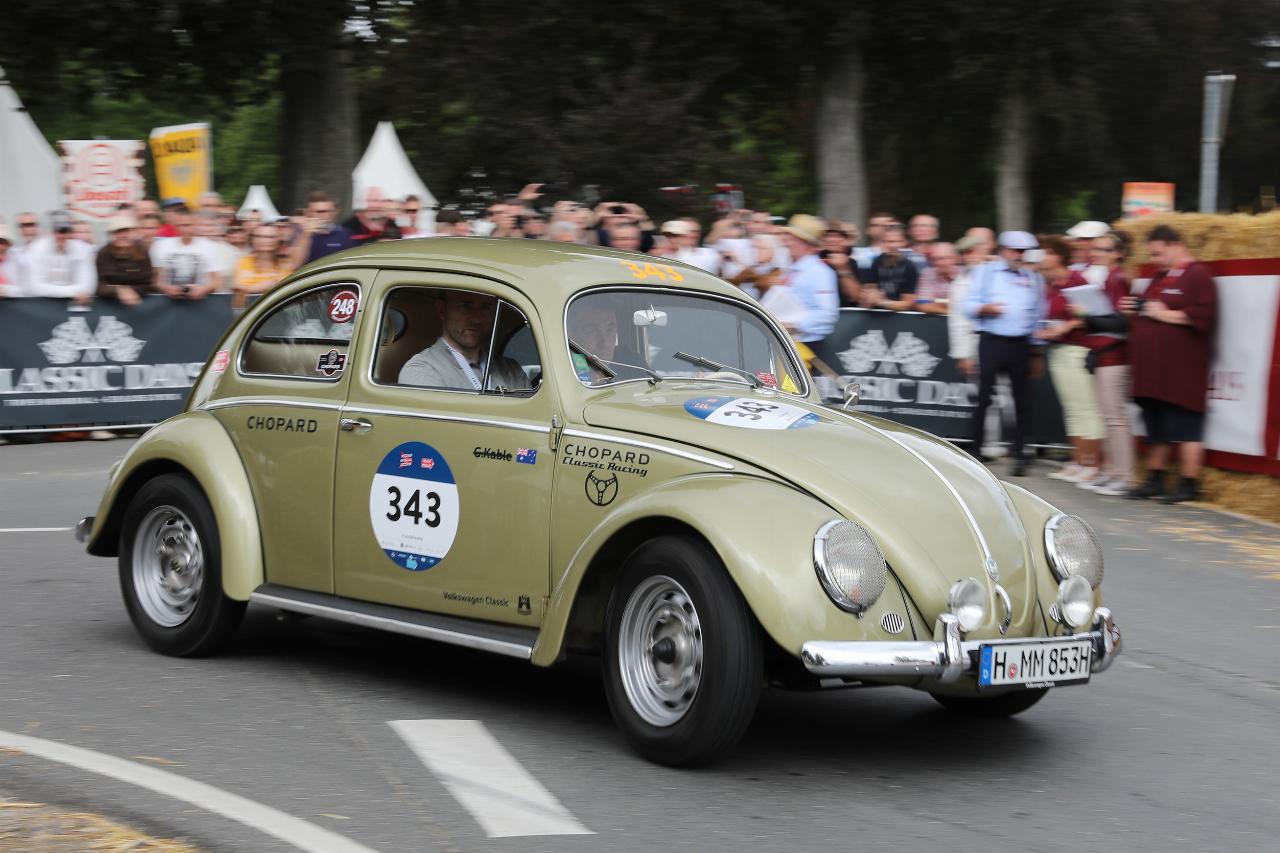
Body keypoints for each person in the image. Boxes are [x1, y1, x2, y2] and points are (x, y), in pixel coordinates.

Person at [1122, 225, 1217, 503]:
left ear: (1176, 245)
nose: (1155, 260)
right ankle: (1156, 477)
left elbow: (1202, 316)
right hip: (1153, 372)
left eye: (1158, 253)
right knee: (1156, 426)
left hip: (1181, 370)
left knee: (1187, 426)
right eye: (1152, 255)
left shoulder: (1198, 275)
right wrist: (1137, 308)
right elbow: (1152, 309)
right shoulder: (1160, 277)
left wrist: (1164, 314)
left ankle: (1189, 482)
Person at [963, 230, 1048, 475]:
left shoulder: (1034, 278)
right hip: (992, 341)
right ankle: (976, 451)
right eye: (1015, 251)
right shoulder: (986, 272)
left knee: (1022, 401)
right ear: (1003, 250)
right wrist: (985, 308)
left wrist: (1037, 352)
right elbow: (967, 305)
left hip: (1020, 344)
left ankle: (1020, 454)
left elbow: (1038, 316)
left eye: (1023, 251)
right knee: (984, 398)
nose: (1019, 255)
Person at [1037, 236, 1104, 484]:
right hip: (1058, 349)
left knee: (1086, 408)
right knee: (1072, 409)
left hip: (1077, 349)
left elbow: (1093, 313)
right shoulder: (1052, 285)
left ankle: (1092, 463)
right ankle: (1078, 460)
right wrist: (1048, 331)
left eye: (1046, 253)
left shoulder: (1077, 280)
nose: (1042, 257)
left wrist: (1065, 327)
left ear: (1058, 256)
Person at [1078, 231, 1135, 496]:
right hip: (1105, 353)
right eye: (1097, 248)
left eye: (1105, 249)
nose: (1098, 253)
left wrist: (1088, 317)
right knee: (1109, 417)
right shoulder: (1110, 279)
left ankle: (1125, 475)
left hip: (1114, 355)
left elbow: (1121, 322)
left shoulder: (1118, 279)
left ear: (1118, 253)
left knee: (1115, 417)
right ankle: (1113, 471)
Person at [398, 290, 530, 391]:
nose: (476, 319)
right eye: (465, 306)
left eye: (485, 307)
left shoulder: (512, 371)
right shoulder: (422, 370)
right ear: (442, 310)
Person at [777, 214, 839, 346]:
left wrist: (795, 325)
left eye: (793, 239)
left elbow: (827, 314)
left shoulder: (820, 272)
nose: (787, 243)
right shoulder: (791, 268)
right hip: (787, 342)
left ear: (807, 244)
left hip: (807, 344)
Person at [23, 211, 96, 303]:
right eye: (57, 230)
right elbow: (35, 286)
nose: (62, 235)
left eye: (66, 231)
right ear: (50, 232)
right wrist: (73, 292)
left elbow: (88, 286)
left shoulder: (82, 248)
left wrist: (53, 289)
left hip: (73, 302)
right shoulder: (37, 248)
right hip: (44, 302)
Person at [150, 208, 221, 299]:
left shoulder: (210, 246)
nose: (184, 229)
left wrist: (203, 289)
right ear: (175, 226)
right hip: (169, 301)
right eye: (180, 225)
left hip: (200, 302)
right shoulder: (160, 246)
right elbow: (156, 280)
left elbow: (216, 281)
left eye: (188, 225)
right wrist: (165, 288)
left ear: (196, 225)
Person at [947, 235, 986, 379]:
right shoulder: (959, 283)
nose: (967, 256)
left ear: (982, 250)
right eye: (963, 253)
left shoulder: (1001, 275)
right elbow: (958, 322)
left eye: (971, 251)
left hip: (1007, 347)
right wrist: (963, 354)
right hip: (975, 348)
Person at [233, 223, 294, 309]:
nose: (265, 240)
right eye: (260, 236)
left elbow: (289, 291)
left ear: (278, 240)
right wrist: (265, 286)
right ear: (253, 239)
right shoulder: (244, 262)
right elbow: (239, 292)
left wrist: (251, 289)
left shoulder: (286, 265)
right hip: (249, 312)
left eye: (271, 237)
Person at [95, 215, 153, 305]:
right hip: (109, 304)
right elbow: (99, 285)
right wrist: (118, 290)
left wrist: (130, 291)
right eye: (117, 232)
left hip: (139, 304)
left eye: (126, 231)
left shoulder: (142, 251)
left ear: (133, 233)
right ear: (111, 235)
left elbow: (148, 284)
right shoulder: (103, 253)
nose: (122, 236)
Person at [859, 225, 918, 310]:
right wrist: (869, 297)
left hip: (899, 315)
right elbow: (869, 291)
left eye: (896, 241)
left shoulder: (909, 267)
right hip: (878, 312)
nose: (892, 245)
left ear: (904, 243)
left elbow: (908, 303)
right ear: (881, 243)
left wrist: (881, 302)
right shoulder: (876, 262)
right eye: (887, 241)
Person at [292, 191, 355, 265]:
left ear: (335, 212)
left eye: (325, 211)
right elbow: (294, 265)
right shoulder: (298, 235)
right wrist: (306, 235)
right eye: (317, 212)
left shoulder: (346, 235)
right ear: (308, 213)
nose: (321, 216)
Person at [915, 241, 960, 314]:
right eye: (936, 259)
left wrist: (936, 303)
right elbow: (923, 305)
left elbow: (969, 305)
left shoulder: (965, 274)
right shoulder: (927, 274)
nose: (940, 263)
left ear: (955, 258)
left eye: (945, 258)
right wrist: (955, 313)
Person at [820, 225, 860, 306]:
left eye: (838, 236)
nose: (832, 240)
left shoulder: (851, 263)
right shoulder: (814, 260)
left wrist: (842, 268)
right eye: (828, 236)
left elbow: (855, 297)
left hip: (844, 310)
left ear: (845, 241)